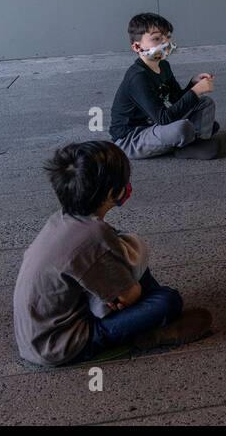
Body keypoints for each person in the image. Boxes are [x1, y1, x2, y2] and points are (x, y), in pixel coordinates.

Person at [13, 141, 213, 366]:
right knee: (167, 301)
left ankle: (144, 322)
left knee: (129, 263)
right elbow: (131, 295)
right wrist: (124, 295)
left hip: (36, 335)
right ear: (113, 192)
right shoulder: (95, 236)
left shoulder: (60, 220)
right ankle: (151, 334)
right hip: (60, 345)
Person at [110, 13, 219, 159]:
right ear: (137, 47)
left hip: (156, 125)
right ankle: (189, 142)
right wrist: (194, 92)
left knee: (205, 103)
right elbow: (164, 118)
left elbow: (175, 100)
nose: (165, 42)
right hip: (131, 138)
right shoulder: (138, 78)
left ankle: (194, 141)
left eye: (167, 37)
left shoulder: (164, 65)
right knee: (183, 128)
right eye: (156, 39)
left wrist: (192, 84)